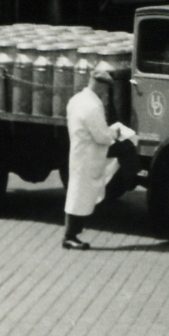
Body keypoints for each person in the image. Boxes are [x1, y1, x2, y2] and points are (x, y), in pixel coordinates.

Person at [63, 63, 137, 250]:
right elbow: (101, 136)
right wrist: (114, 133)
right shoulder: (93, 105)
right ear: (101, 86)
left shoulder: (76, 99)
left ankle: (71, 235)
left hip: (79, 150)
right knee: (80, 196)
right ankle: (70, 236)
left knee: (77, 193)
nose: (105, 93)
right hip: (91, 152)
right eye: (105, 89)